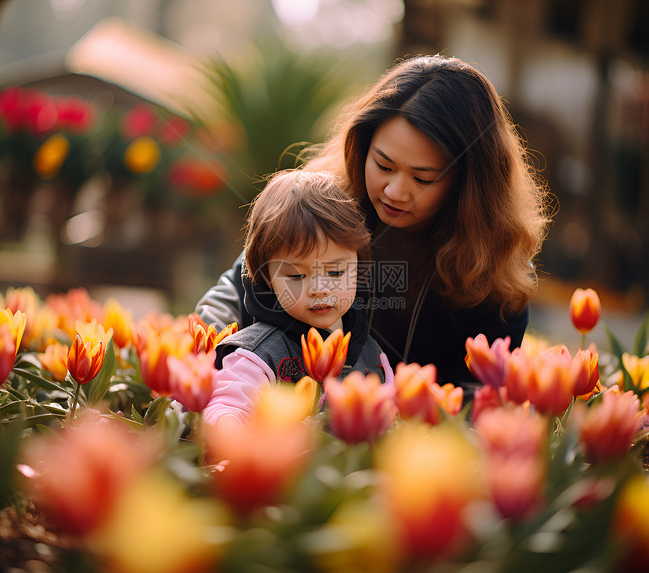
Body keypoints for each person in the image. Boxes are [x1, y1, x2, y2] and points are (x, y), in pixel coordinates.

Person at [196, 54, 551, 403]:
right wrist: (203, 358)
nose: (395, 192)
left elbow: (479, 399)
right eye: (383, 165)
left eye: (422, 178)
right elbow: (236, 287)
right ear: (362, 147)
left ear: (468, 184)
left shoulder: (495, 271)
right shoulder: (328, 210)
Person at [203, 169, 393, 427]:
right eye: (296, 276)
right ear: (268, 279)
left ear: (358, 264)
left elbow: (392, 417)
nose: (319, 288)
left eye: (336, 271)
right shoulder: (259, 354)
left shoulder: (370, 350)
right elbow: (224, 410)